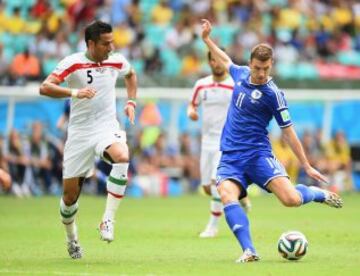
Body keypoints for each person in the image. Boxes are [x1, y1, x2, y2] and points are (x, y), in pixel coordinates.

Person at [201, 19, 343, 263]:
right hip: (231, 157)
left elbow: (288, 132)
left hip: (258, 155)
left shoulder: (274, 95)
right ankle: (249, 250)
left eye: (266, 68)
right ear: (250, 64)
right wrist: (206, 40)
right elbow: (225, 60)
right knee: (225, 193)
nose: (261, 73)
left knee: (291, 200)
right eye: (257, 68)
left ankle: (316, 194)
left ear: (271, 65)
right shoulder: (241, 74)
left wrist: (307, 166)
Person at [39, 20, 137, 259]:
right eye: (105, 43)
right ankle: (72, 239)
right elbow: (45, 87)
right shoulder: (72, 63)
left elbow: (131, 75)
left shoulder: (116, 60)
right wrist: (75, 92)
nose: (111, 47)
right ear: (91, 43)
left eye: (112, 42)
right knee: (70, 198)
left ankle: (107, 220)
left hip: (106, 126)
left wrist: (131, 102)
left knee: (122, 156)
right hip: (80, 133)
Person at [187, 50, 251, 238]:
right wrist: (191, 112)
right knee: (207, 187)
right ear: (209, 62)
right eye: (213, 60)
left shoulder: (235, 85)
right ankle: (241, 196)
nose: (217, 63)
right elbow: (192, 104)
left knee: (216, 182)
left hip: (226, 142)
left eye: (219, 60)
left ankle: (212, 226)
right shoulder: (201, 85)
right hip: (206, 142)